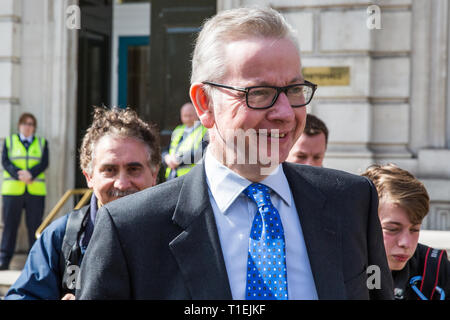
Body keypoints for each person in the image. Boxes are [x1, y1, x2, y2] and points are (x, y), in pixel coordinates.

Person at [77, 7, 393, 300]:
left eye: (294, 90)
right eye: (260, 93)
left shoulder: (351, 201)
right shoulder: (131, 229)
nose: (285, 112)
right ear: (204, 103)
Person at [4, 107, 161, 300]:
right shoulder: (59, 238)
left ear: (154, 174)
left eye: (133, 169)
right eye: (109, 170)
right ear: (89, 176)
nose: (121, 183)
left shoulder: (178, 236)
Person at [362, 164, 450, 300]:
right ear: (363, 223)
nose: (406, 243)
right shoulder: (341, 269)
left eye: (414, 229)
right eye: (392, 229)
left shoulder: (435, 268)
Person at [0, 113, 49, 270]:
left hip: (35, 191)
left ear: (34, 127)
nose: (28, 127)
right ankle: (3, 260)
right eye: (25, 123)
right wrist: (19, 174)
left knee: (34, 227)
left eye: (31, 124)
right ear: (19, 125)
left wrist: (31, 174)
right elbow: (5, 161)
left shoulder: (42, 143)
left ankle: (35, 262)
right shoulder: (9, 141)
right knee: (10, 226)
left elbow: (44, 162)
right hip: (12, 191)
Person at [163, 102, 208, 180]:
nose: (187, 118)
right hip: (172, 176)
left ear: (197, 114)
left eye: (190, 115)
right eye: (185, 116)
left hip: (191, 178)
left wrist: (179, 160)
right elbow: (167, 149)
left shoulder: (205, 130)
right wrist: (166, 158)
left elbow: (201, 152)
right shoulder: (178, 129)